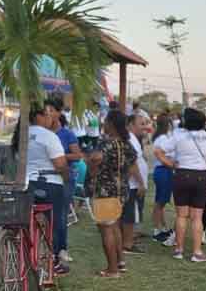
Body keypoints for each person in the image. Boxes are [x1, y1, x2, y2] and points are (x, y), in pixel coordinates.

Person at [13, 104, 71, 275]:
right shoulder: (48, 136)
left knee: (26, 223)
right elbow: (60, 164)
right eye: (48, 114)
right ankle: (54, 260)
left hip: (26, 184)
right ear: (38, 116)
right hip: (49, 184)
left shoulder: (20, 136)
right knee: (55, 223)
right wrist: (67, 178)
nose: (51, 118)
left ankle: (25, 255)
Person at [87, 111, 138, 277]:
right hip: (121, 189)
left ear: (111, 123)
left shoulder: (105, 143)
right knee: (115, 225)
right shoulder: (126, 144)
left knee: (106, 228)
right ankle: (120, 262)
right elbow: (132, 165)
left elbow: (96, 158)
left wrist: (93, 171)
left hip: (104, 190)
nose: (104, 124)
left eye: (106, 121)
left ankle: (112, 269)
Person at [170, 108, 206, 262]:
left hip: (182, 174)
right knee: (197, 217)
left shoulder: (178, 136)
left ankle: (178, 249)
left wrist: (172, 164)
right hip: (201, 176)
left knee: (181, 215)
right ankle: (197, 252)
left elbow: (162, 152)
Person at [47, 101, 83, 264]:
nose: (48, 114)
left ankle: (61, 248)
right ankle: (48, 248)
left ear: (59, 113)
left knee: (60, 215)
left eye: (51, 111)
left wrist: (59, 157)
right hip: (46, 179)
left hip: (65, 178)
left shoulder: (67, 134)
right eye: (46, 111)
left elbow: (77, 155)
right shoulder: (42, 133)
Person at [122, 114, 149, 255]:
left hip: (134, 184)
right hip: (132, 184)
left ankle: (129, 239)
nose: (145, 127)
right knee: (130, 215)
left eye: (145, 123)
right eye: (141, 124)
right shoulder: (130, 140)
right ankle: (127, 244)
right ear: (131, 125)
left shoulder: (134, 139)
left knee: (132, 214)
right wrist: (140, 183)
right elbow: (132, 164)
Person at [151, 115, 175, 245]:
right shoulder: (163, 139)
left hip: (161, 171)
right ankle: (157, 230)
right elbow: (165, 155)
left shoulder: (159, 137)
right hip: (164, 170)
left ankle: (162, 228)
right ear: (168, 125)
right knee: (160, 202)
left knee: (161, 201)